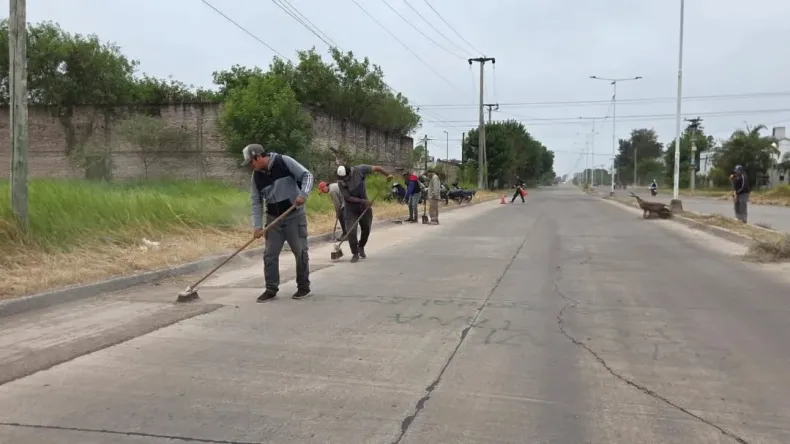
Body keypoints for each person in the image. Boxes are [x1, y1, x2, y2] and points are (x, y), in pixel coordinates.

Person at [244, 144, 314, 302]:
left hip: (294, 215)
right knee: (269, 254)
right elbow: (256, 202)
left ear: (258, 157)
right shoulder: (256, 176)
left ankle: (303, 287)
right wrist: (257, 226)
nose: (251, 166)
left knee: (300, 251)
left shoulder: (283, 161)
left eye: (251, 162)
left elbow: (307, 176)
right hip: (273, 219)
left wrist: (303, 194)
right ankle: (271, 288)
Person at [336, 164, 393, 262]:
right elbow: (347, 197)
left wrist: (387, 175)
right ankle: (355, 253)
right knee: (351, 231)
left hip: (364, 207)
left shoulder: (359, 170)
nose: (344, 179)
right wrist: (363, 201)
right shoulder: (341, 182)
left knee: (366, 228)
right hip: (351, 208)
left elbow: (377, 168)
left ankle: (361, 246)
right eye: (342, 178)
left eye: (346, 177)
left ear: (350, 173)